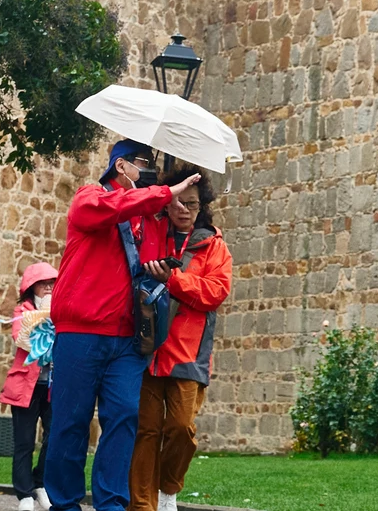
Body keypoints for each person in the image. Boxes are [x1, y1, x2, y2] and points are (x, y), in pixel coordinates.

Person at [45, 139, 201, 511]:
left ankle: (112, 505)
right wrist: (160, 195)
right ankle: (64, 504)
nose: (150, 171)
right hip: (81, 332)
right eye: (144, 163)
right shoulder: (90, 196)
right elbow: (107, 210)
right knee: (70, 423)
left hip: (128, 339)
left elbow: (153, 267)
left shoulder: (148, 218)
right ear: (121, 167)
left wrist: (172, 239)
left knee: (123, 421)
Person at [130, 173, 232, 511]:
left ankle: (168, 489)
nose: (183, 209)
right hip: (148, 347)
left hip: (188, 352)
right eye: (176, 202)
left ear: (201, 207)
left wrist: (174, 279)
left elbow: (215, 292)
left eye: (190, 203)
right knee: (145, 430)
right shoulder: (153, 234)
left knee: (180, 428)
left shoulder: (213, 245)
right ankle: (142, 505)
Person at [2, 261, 60, 511]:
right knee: (24, 442)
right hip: (26, 387)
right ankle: (24, 494)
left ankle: (40, 483)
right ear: (31, 287)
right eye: (42, 284)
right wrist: (43, 320)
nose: (48, 287)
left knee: (53, 438)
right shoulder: (22, 310)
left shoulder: (62, 310)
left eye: (52, 283)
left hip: (53, 386)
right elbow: (22, 339)